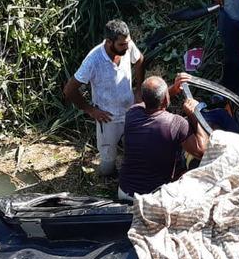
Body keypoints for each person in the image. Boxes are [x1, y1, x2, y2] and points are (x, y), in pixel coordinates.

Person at [63, 20, 145, 176]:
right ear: (109, 42)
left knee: (133, 150)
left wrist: (139, 90)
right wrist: (91, 110)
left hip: (130, 111)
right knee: (107, 165)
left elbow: (140, 59)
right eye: (122, 45)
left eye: (127, 43)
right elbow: (69, 90)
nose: (127, 47)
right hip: (107, 118)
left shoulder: (127, 45)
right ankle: (108, 177)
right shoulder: (93, 60)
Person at [118, 74, 208, 199]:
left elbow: (151, 100)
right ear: (166, 98)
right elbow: (202, 151)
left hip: (124, 192)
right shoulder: (177, 123)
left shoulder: (132, 112)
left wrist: (173, 89)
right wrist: (193, 114)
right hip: (153, 199)